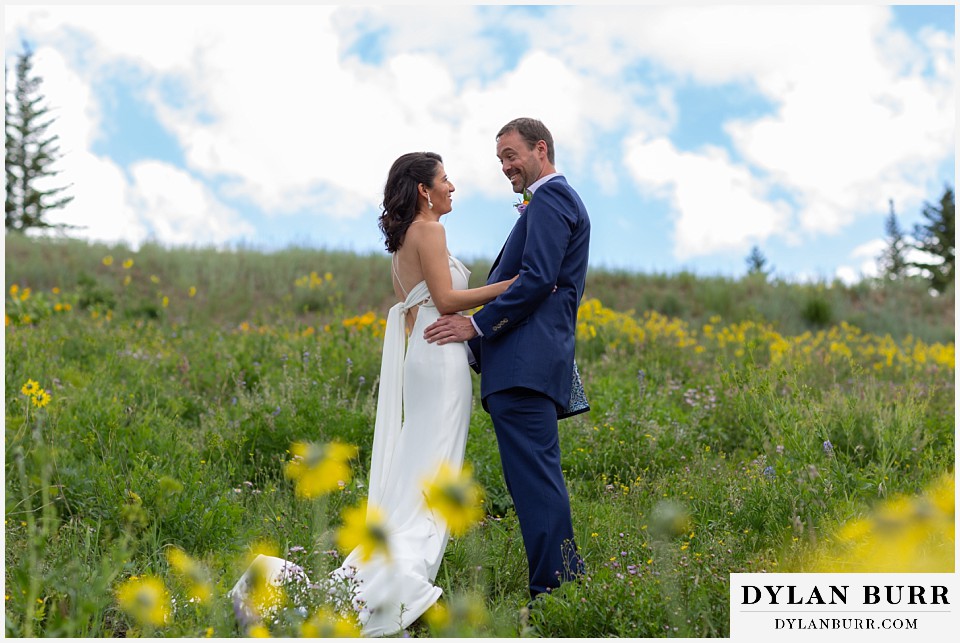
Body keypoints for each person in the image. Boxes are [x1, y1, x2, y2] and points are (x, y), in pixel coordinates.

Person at [230, 152, 515, 637]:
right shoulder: (430, 230)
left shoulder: (404, 241)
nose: (452, 186)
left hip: (423, 358)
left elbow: (415, 311)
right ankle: (398, 578)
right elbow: (445, 301)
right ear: (424, 190)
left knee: (420, 461)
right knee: (435, 466)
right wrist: (510, 286)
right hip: (441, 360)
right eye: (445, 179)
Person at [423, 117, 590, 600]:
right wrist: (475, 346)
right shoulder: (545, 204)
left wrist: (474, 325)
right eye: (500, 159)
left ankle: (556, 592)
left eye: (511, 156)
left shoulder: (553, 199)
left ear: (541, 150)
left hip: (525, 368)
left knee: (534, 482)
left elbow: (536, 278)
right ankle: (563, 584)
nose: (505, 167)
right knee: (534, 480)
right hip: (522, 366)